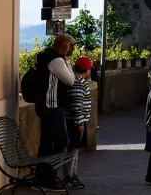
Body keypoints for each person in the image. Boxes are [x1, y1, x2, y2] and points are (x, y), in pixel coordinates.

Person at [35, 34, 77, 189]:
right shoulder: (57, 61)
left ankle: (42, 177)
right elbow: (70, 81)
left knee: (47, 142)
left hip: (44, 106)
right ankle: (48, 178)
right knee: (61, 141)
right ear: (65, 47)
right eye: (71, 46)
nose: (73, 49)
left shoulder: (45, 55)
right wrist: (67, 62)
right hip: (52, 107)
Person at [63, 56, 93, 190]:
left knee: (75, 151)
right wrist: (79, 123)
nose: (90, 72)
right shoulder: (78, 82)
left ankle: (73, 176)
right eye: (89, 69)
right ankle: (68, 177)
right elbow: (76, 104)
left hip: (77, 121)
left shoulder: (76, 80)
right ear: (85, 70)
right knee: (72, 150)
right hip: (76, 122)